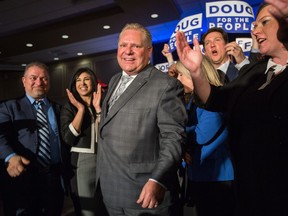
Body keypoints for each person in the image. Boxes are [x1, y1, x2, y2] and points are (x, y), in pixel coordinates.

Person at [176, 2, 288, 216]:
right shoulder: (256, 71)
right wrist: (197, 72)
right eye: (255, 24)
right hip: (251, 190)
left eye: (264, 22)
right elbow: (216, 100)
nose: (255, 30)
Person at [96, 23, 187, 216]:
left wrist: (158, 180)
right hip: (111, 191)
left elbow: (173, 138)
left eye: (135, 46)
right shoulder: (113, 81)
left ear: (148, 50)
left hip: (145, 195)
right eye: (123, 45)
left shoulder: (166, 85)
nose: (127, 51)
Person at [0, 62, 65, 216]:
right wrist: (10, 156)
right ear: (24, 81)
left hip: (54, 180)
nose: (39, 82)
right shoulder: (9, 107)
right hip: (22, 181)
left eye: (44, 78)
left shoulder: (58, 109)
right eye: (33, 78)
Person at [174, 59, 235, 216]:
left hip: (218, 180)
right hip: (200, 176)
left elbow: (201, 136)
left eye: (181, 74)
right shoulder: (191, 102)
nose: (178, 79)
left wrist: (181, 144)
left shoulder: (216, 101)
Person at [60, 67, 102, 216]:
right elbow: (68, 138)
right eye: (78, 80)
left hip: (105, 161)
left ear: (93, 82)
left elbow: (108, 133)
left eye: (86, 79)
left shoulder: (102, 104)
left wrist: (98, 109)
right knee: (87, 210)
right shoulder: (69, 107)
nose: (82, 83)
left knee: (104, 207)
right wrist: (81, 110)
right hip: (81, 163)